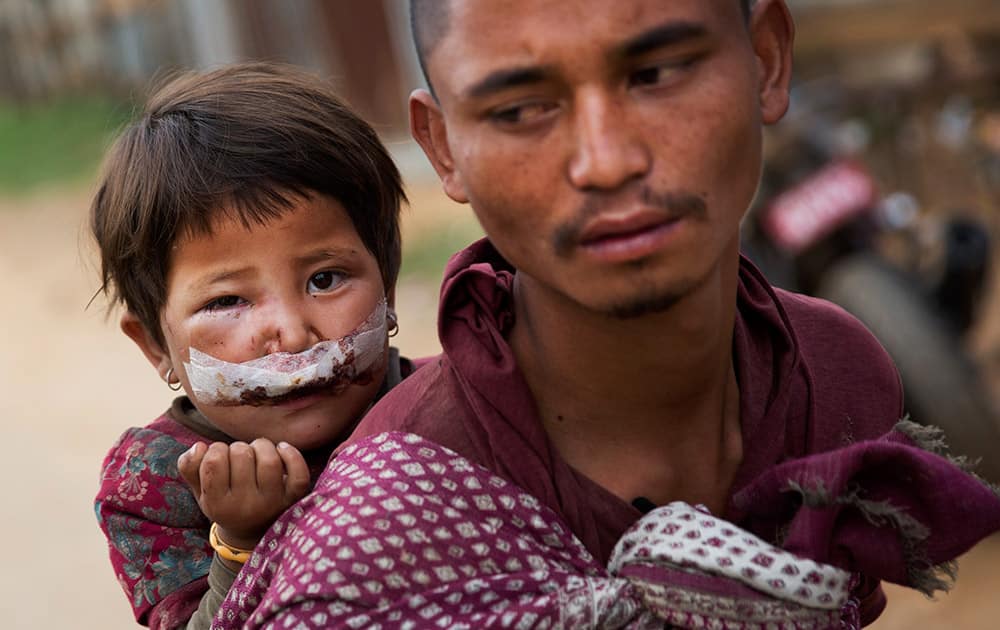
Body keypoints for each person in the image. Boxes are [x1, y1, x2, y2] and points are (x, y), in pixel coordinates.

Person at [212, 2, 1000, 628]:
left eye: (656, 72)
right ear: (444, 146)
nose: (607, 160)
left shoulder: (834, 376)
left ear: (765, 58)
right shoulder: (382, 529)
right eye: (521, 109)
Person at [92, 62, 411, 629]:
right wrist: (241, 541)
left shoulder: (446, 408)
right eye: (226, 302)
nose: (290, 332)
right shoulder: (157, 481)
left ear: (386, 286)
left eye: (325, 279)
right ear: (156, 348)